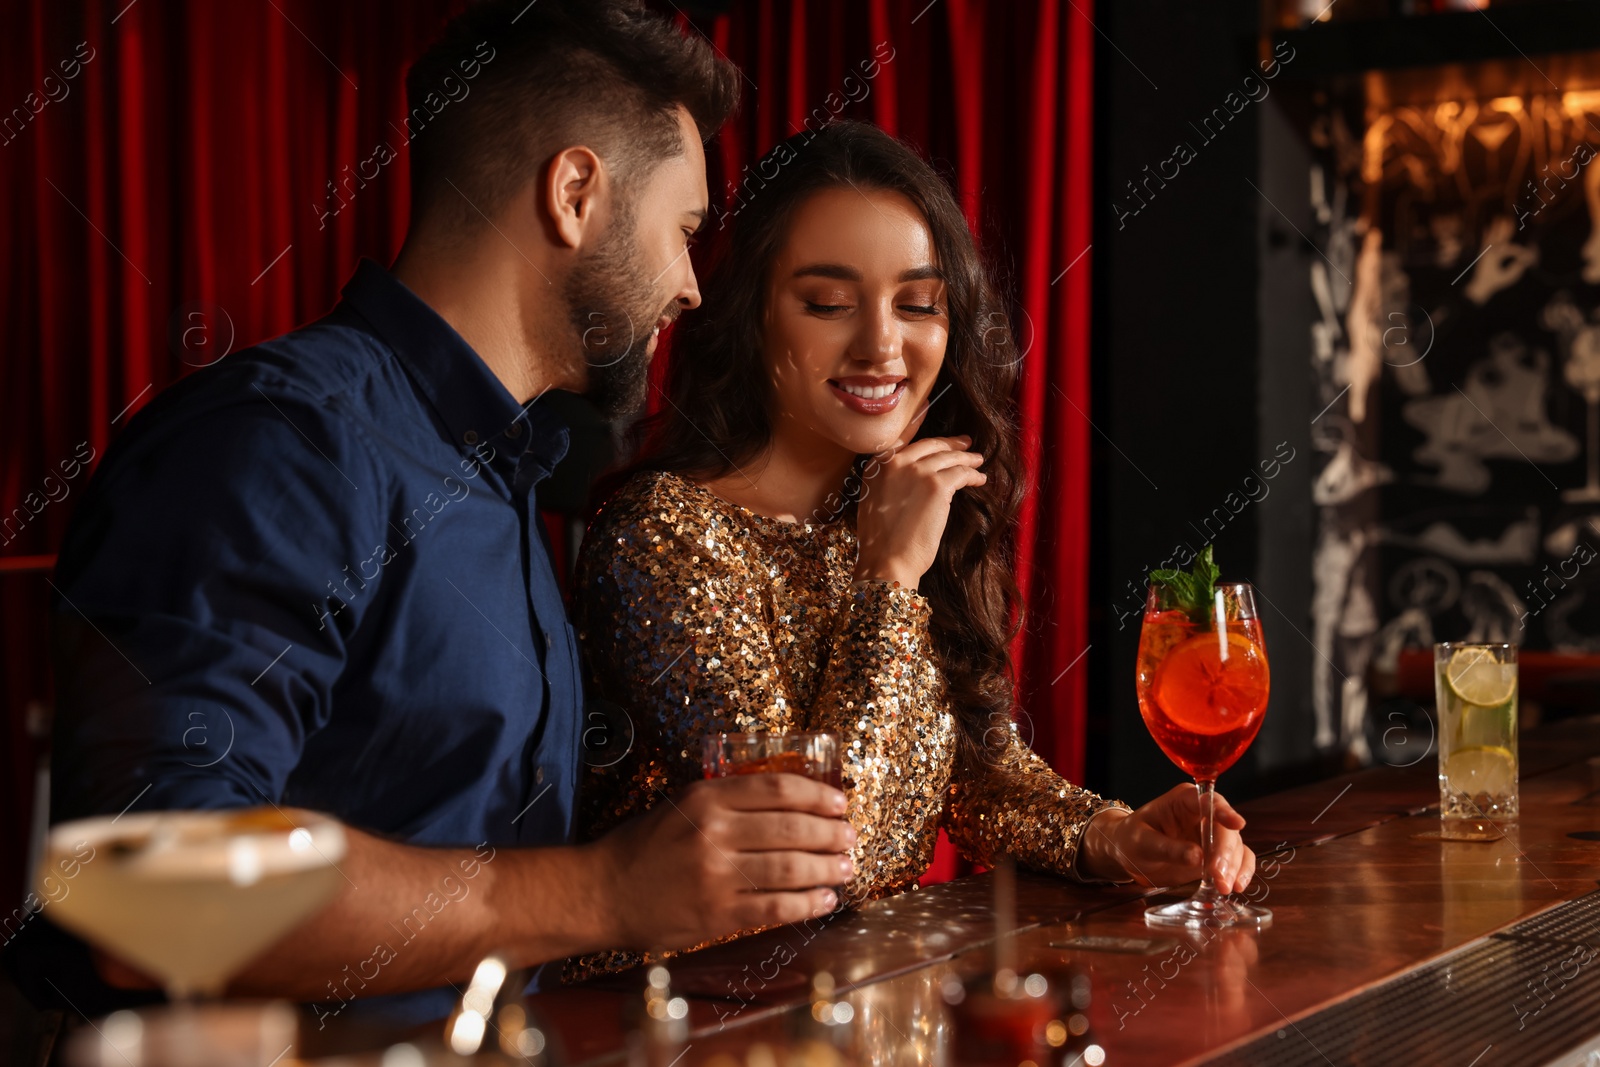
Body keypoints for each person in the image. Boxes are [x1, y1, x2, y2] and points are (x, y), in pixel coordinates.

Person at [9, 0, 855, 1022]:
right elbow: (146, 895)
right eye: (682, 230)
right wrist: (605, 890)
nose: (686, 287)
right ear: (576, 192)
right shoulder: (278, 441)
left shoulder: (509, 475)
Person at [570, 122, 1257, 974]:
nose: (882, 346)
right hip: (681, 1019)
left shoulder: (894, 504)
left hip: (851, 1003)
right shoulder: (662, 533)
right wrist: (888, 576)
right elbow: (819, 848)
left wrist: (1116, 837)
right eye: (828, 303)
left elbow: (971, 767)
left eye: (918, 303)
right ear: (751, 317)